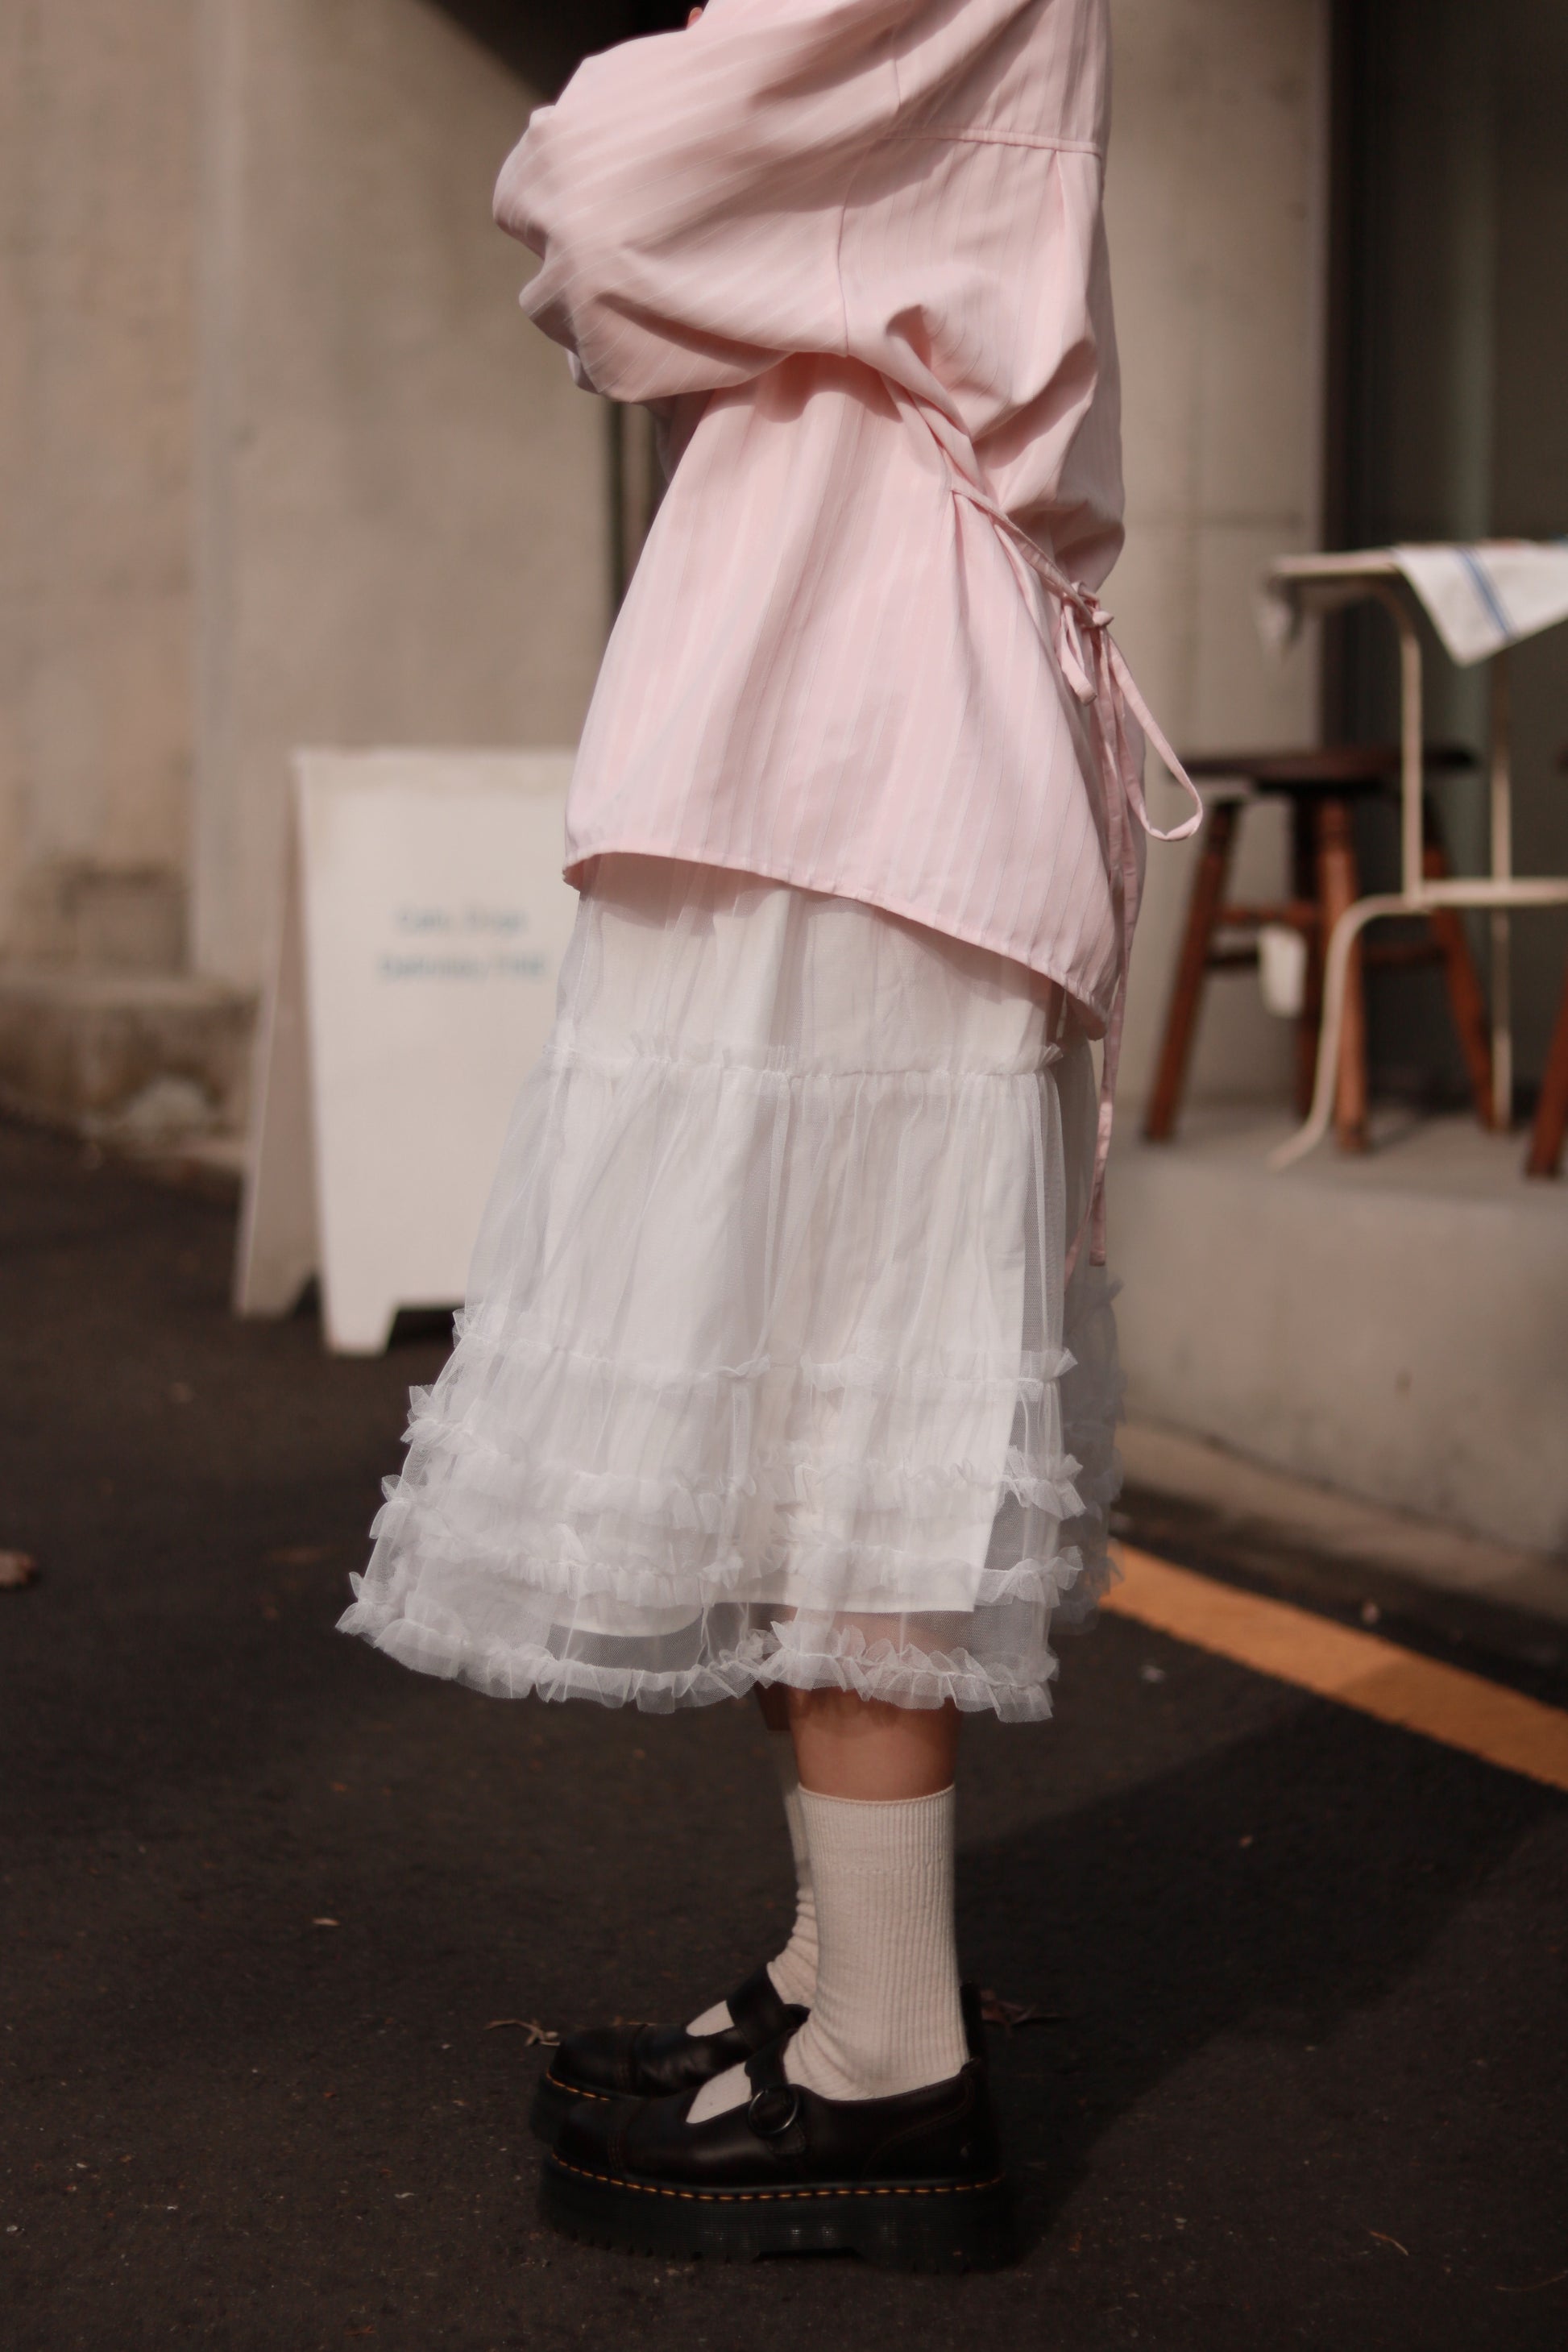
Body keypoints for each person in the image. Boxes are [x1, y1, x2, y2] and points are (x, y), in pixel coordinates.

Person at [340, 0, 1198, 2271]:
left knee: (854, 1407)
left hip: (860, 722)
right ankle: (846, 1985)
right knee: (822, 1397)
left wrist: (752, 258)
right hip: (866, 710)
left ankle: (892, 2064)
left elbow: (603, 178)